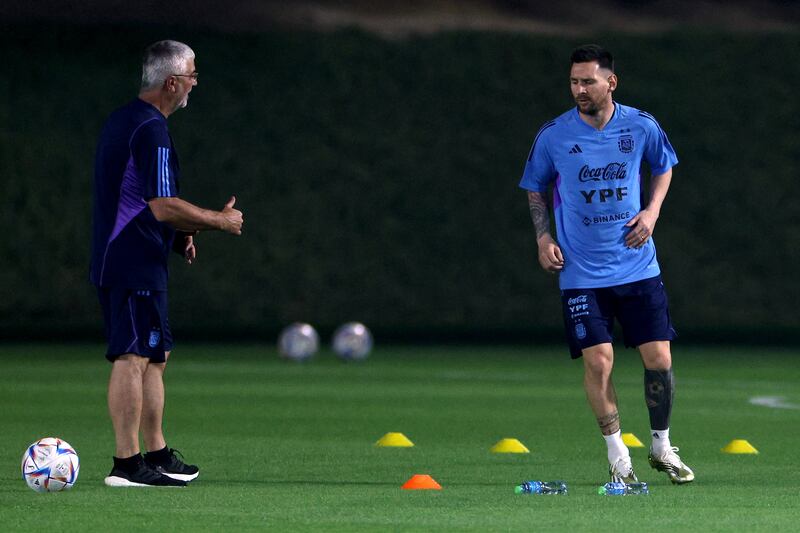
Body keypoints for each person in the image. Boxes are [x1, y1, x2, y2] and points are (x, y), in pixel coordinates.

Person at [519, 44, 694, 485]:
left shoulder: (640, 126)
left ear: (610, 82)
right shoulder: (554, 134)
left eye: (588, 81)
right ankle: (619, 457)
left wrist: (652, 212)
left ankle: (661, 445)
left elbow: (665, 166)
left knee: (658, 358)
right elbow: (536, 187)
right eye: (574, 81)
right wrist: (543, 237)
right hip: (580, 273)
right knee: (598, 362)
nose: (579, 89)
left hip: (637, 267)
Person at [90, 40, 244, 487]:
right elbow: (160, 204)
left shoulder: (126, 120)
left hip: (137, 258)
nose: (196, 84)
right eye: (193, 75)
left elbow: (132, 200)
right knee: (133, 355)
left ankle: (155, 454)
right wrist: (219, 220)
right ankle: (126, 464)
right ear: (172, 82)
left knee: (155, 355)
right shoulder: (150, 129)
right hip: (129, 262)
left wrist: (178, 238)